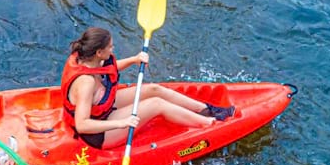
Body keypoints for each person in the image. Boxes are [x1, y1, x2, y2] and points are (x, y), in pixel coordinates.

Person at [61, 27, 235, 149]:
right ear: (99, 52)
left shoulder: (85, 57)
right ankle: (211, 124)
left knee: (153, 90)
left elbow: (107, 68)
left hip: (101, 111)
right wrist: (122, 123)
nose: (113, 49)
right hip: (99, 133)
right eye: (110, 47)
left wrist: (133, 59)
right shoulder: (86, 83)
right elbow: (82, 125)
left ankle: (205, 110)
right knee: (156, 104)